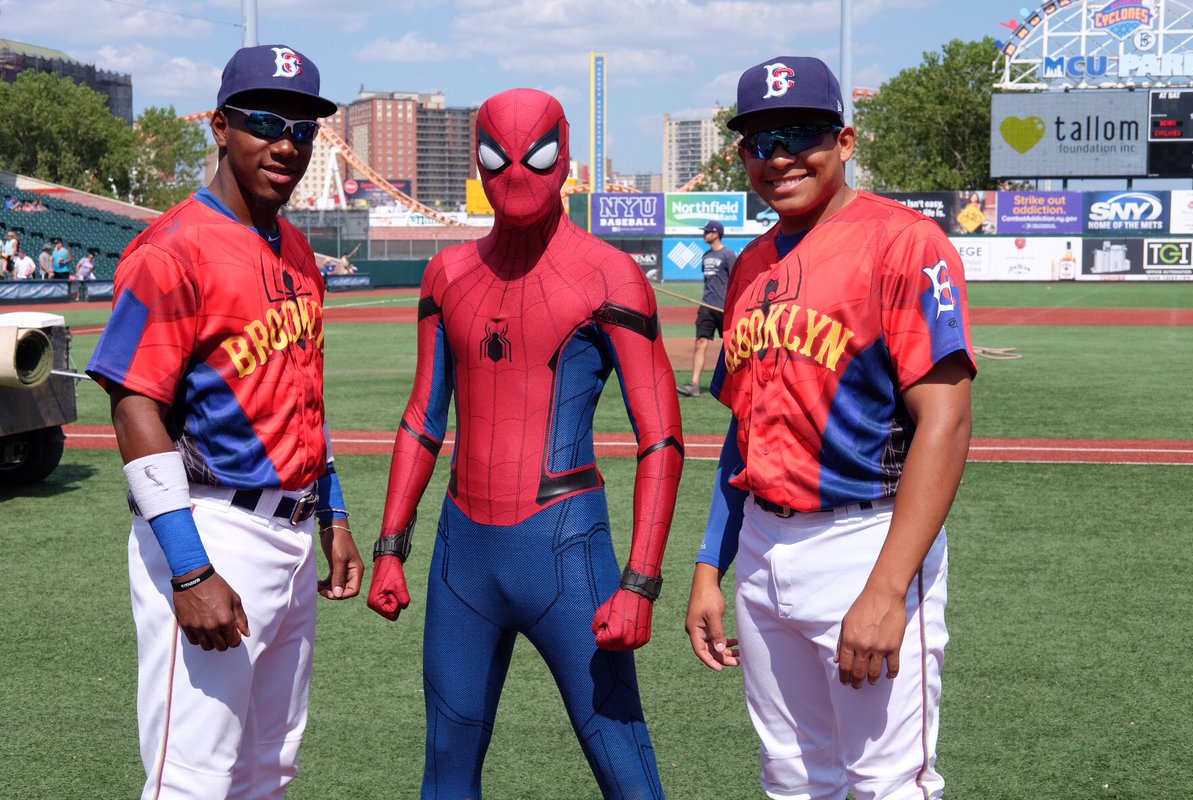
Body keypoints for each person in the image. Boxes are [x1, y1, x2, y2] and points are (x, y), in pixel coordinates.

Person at [367, 88, 684, 799]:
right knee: (446, 761)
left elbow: (661, 437)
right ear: (475, 160)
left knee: (623, 763)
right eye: (494, 156)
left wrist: (639, 583)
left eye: (536, 156)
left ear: (564, 158)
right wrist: (391, 547)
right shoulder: (447, 275)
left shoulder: (610, 275)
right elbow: (423, 416)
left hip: (566, 550)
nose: (514, 173)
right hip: (463, 558)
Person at [683, 55, 975, 800]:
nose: (778, 157)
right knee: (792, 775)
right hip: (761, 548)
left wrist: (887, 588)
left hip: (864, 540)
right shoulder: (749, 267)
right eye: (759, 141)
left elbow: (945, 420)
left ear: (844, 141)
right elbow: (742, 431)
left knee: (887, 783)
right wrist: (710, 565)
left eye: (800, 135)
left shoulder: (905, 243)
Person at [85, 43, 363, 799]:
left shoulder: (299, 250)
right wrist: (190, 567)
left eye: (303, 130)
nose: (286, 145)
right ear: (219, 125)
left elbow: (301, 390)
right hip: (213, 528)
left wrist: (331, 510)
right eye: (266, 122)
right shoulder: (172, 248)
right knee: (193, 779)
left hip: (293, 531)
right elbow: (134, 401)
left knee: (268, 768)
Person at [677, 219, 735, 397]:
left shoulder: (728, 254)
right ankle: (694, 385)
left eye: (707, 232)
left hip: (724, 307)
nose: (704, 235)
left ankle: (737, 385)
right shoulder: (706, 256)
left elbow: (735, 280)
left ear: (716, 233)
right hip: (706, 306)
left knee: (733, 347)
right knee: (700, 342)